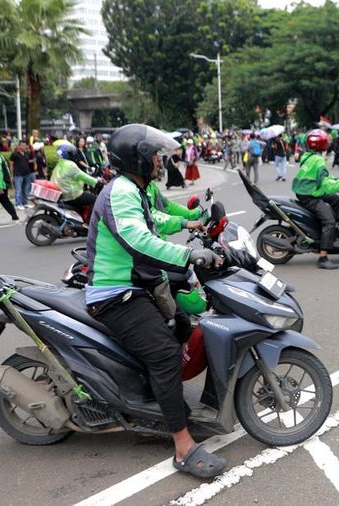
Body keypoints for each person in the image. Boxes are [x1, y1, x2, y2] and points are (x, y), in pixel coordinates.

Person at [84, 123, 227, 479]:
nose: (160, 161)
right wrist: (188, 256)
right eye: (155, 155)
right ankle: (182, 447)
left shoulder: (136, 189)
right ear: (138, 159)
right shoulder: (120, 191)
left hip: (140, 285)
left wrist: (191, 222)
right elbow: (137, 238)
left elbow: (154, 220)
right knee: (164, 353)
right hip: (115, 293)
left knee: (182, 324)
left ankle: (156, 395)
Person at [292, 129, 339, 270]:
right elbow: (325, 184)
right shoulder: (319, 160)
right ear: (322, 144)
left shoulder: (308, 156)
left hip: (305, 190)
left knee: (335, 199)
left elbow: (322, 178)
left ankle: (336, 230)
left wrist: (337, 180)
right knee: (329, 221)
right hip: (309, 194)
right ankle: (323, 257)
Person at [51, 144, 99, 219]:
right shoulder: (70, 165)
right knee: (95, 199)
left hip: (63, 194)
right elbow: (83, 176)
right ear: (67, 154)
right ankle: (90, 223)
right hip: (71, 195)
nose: (74, 154)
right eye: (71, 153)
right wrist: (96, 181)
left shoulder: (59, 164)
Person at [9, 141, 36, 209]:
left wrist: (33, 161)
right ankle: (18, 204)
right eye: (23, 145)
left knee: (25, 190)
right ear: (19, 146)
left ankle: (25, 203)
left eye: (25, 145)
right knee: (18, 190)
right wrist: (12, 174)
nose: (25, 147)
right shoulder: (14, 154)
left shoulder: (26, 154)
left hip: (27, 174)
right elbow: (11, 164)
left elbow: (27, 162)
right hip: (18, 175)